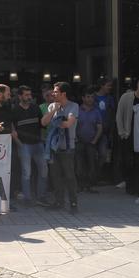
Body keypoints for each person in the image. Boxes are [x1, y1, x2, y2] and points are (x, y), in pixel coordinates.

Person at [42, 82, 79, 212]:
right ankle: (59, 202)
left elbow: (68, 123)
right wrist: (54, 110)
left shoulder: (74, 106)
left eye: (56, 91)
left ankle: (73, 203)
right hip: (53, 148)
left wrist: (56, 122)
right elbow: (44, 122)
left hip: (68, 148)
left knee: (69, 176)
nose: (53, 93)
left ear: (64, 94)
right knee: (55, 176)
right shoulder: (52, 105)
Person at [12, 85, 48, 206]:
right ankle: (27, 198)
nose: (29, 97)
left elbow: (43, 124)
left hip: (38, 144)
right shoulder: (15, 111)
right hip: (24, 145)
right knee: (26, 172)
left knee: (44, 171)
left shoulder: (36, 108)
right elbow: (12, 130)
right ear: (20, 96)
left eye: (30, 95)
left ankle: (41, 197)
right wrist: (19, 144)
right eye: (26, 95)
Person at [115, 77, 139, 193]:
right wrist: (121, 132)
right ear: (138, 85)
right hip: (128, 134)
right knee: (128, 161)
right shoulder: (127, 97)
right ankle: (130, 185)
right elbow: (119, 115)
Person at [75, 86, 103, 193]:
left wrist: (95, 140)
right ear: (83, 98)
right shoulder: (77, 110)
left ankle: (89, 186)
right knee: (79, 164)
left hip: (92, 142)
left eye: (92, 97)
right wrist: (75, 138)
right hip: (79, 141)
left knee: (91, 164)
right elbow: (73, 125)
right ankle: (80, 185)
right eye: (88, 97)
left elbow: (99, 127)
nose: (90, 99)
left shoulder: (96, 111)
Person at [94, 78, 117, 181]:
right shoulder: (93, 97)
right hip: (92, 130)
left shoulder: (110, 98)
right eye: (108, 85)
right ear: (102, 86)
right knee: (91, 155)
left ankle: (97, 174)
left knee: (103, 154)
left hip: (104, 131)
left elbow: (112, 114)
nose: (110, 87)